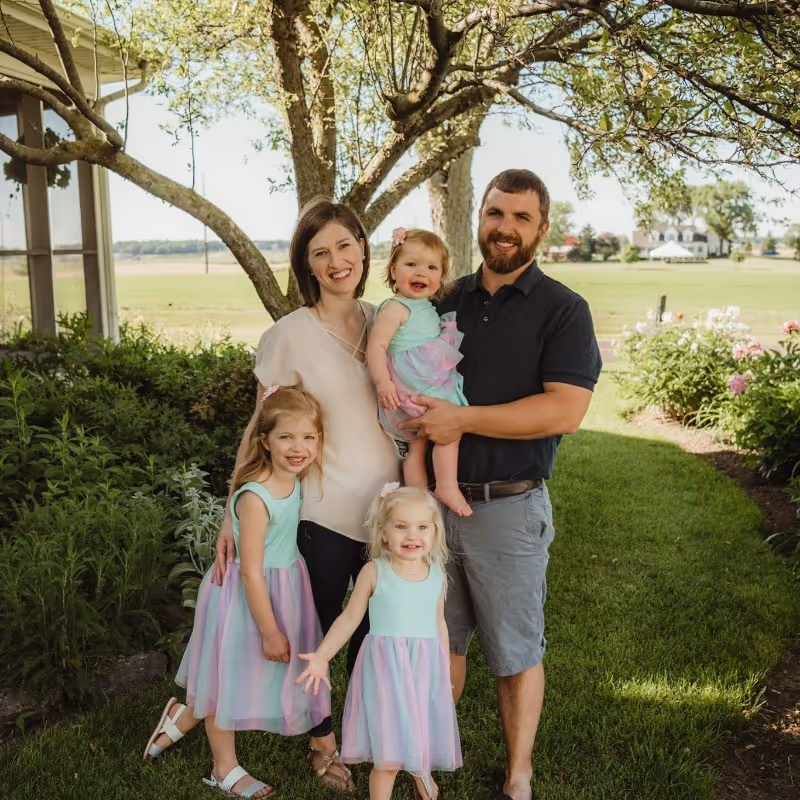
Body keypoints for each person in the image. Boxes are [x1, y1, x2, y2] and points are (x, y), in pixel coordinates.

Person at [400, 169, 602, 800]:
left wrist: (463, 419)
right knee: (440, 640)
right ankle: (432, 754)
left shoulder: (563, 309)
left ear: (542, 228)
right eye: (495, 213)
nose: (505, 228)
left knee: (514, 650)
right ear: (479, 219)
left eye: (520, 217)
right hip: (429, 512)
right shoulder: (443, 298)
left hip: (509, 508)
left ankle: (518, 774)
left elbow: (564, 410)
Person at [215, 198, 401, 792]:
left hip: (388, 521)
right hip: (321, 517)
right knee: (317, 636)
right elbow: (259, 428)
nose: (336, 260)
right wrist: (230, 510)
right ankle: (322, 742)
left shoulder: (388, 320)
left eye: (345, 245)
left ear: (363, 250)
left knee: (373, 637)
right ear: (307, 267)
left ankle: (369, 735)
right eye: (320, 253)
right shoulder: (289, 336)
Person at [143, 386, 329, 798]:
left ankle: (183, 716)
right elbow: (250, 572)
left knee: (244, 673)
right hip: (247, 595)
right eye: (286, 437)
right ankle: (222, 767)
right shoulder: (256, 496)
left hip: (281, 586)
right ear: (264, 441)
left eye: (309, 437)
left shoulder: (294, 476)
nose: (299, 448)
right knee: (228, 678)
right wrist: (269, 630)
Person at [296, 484, 461, 800]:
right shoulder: (375, 572)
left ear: (435, 531)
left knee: (417, 736)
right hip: (386, 671)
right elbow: (349, 619)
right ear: (384, 532)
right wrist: (322, 656)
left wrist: (443, 670)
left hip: (423, 670)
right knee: (388, 758)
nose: (412, 535)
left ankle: (418, 770)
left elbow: (439, 625)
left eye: (422, 527)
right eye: (401, 526)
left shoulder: (437, 574)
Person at [366, 227, 471, 517]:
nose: (421, 273)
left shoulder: (423, 305)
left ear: (441, 275)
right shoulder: (395, 308)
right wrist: (382, 383)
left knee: (417, 446)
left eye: (431, 267)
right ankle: (446, 486)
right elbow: (375, 348)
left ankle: (417, 500)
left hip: (421, 381)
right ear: (393, 269)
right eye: (411, 264)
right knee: (449, 431)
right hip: (414, 384)